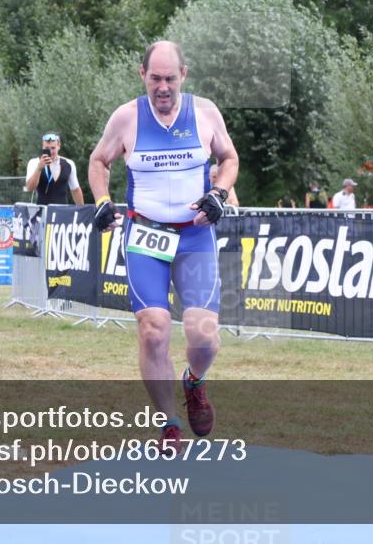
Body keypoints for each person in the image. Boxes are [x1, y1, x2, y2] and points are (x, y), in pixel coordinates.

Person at [88, 40, 238, 454]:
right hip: (145, 234)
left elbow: (229, 158)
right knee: (153, 329)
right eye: (155, 78)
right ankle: (170, 423)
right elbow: (99, 161)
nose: (163, 87)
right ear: (143, 75)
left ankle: (194, 382)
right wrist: (102, 201)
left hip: (194, 234)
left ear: (183, 75)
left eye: (170, 78)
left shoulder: (205, 112)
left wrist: (219, 193)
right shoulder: (127, 117)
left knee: (204, 335)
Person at [25, 132, 85, 205]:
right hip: (43, 210)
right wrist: (39, 168)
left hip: (62, 210)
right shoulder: (34, 162)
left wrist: (81, 209)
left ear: (59, 146)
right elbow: (30, 188)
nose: (50, 151)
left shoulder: (69, 164)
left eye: (53, 148)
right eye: (47, 148)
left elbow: (75, 190)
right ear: (42, 147)